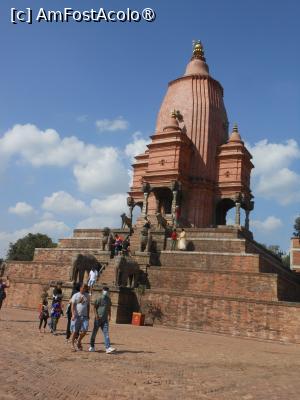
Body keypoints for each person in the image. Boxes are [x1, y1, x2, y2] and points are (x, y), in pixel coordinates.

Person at [89, 286, 116, 354]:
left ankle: (108, 347)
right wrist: (96, 315)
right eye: (105, 290)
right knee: (94, 333)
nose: (106, 291)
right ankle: (92, 346)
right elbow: (94, 307)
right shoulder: (99, 298)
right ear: (102, 291)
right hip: (98, 319)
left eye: (107, 290)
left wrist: (110, 315)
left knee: (106, 333)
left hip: (105, 319)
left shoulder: (108, 299)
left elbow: (109, 307)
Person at [70, 283, 90, 351]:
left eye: (86, 288)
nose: (84, 289)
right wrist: (73, 314)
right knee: (75, 331)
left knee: (85, 330)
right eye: (84, 288)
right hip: (77, 316)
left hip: (84, 316)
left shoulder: (87, 295)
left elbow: (88, 305)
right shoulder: (75, 295)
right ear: (80, 288)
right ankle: (72, 345)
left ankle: (78, 341)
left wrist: (88, 314)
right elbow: (72, 306)